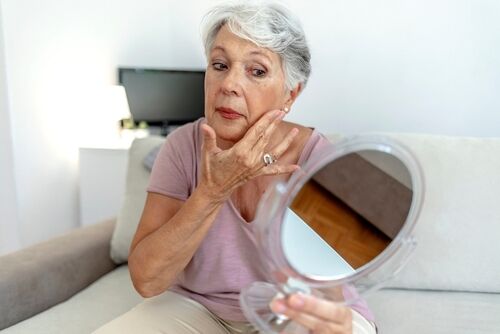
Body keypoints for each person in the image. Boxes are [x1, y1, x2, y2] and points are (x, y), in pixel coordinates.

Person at [94, 2, 376, 333]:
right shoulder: (182, 147)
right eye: (219, 64)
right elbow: (147, 280)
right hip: (199, 306)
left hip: (292, 305)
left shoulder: (321, 161)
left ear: (291, 94)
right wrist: (213, 191)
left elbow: (333, 286)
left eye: (257, 71)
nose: (229, 84)